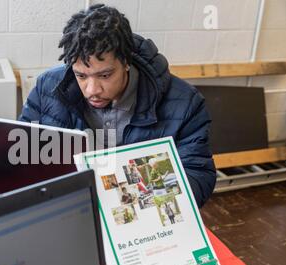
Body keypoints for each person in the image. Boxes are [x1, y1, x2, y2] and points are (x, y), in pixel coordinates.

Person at [19, 4, 216, 208]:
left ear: (126, 62)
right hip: (71, 208)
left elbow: (197, 173)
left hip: (145, 213)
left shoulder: (185, 103)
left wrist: (147, 203)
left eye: (105, 75)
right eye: (81, 76)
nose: (92, 90)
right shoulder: (47, 88)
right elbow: (26, 153)